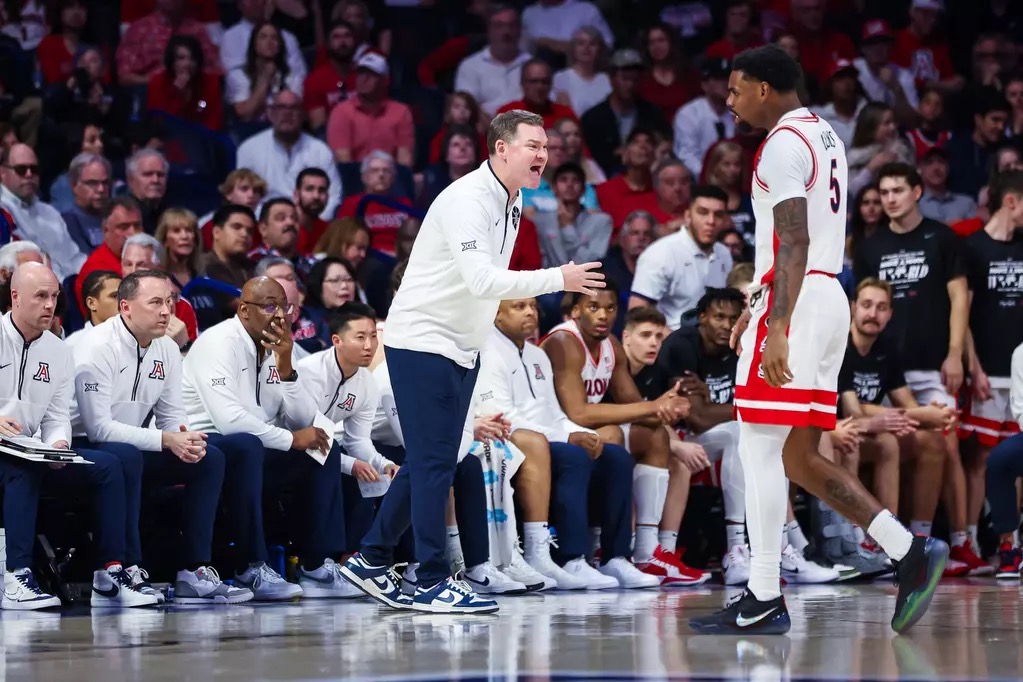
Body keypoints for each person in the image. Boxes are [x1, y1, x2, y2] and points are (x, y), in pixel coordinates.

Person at [689, 45, 947, 636]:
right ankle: (909, 551)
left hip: (799, 302)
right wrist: (759, 305)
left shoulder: (780, 143)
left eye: (735, 90)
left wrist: (775, 326)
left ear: (763, 88)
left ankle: (761, 595)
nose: (727, 103)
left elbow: (794, 239)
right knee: (799, 456)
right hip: (825, 299)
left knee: (756, 446)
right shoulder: (825, 136)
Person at [339, 110, 604, 615]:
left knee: (429, 461)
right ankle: (433, 579)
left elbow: (479, 287)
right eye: (533, 146)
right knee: (439, 461)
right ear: (501, 149)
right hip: (422, 340)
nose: (543, 155)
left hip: (460, 345)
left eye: (546, 146)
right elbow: (484, 281)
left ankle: (371, 559)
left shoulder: (514, 198)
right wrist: (558, 278)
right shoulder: (467, 199)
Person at [71, 270, 253, 605]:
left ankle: (194, 570)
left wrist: (184, 439)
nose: (167, 311)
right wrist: (166, 441)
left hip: (135, 445)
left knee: (209, 457)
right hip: (83, 446)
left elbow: (171, 416)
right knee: (123, 455)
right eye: (155, 302)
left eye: (169, 302)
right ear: (125, 307)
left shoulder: (167, 349)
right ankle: (125, 569)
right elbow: (98, 429)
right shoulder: (95, 347)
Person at [0, 263, 158, 609]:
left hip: (32, 448)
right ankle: (16, 574)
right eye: (40, 296)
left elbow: (58, 417)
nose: (49, 305)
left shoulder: (58, 350)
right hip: (6, 454)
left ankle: (109, 572)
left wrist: (58, 445)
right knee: (20, 469)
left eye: (54, 296)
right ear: (15, 297)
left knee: (110, 464)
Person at [182, 276, 342, 601]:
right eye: (270, 306)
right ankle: (250, 566)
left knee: (324, 445)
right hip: (207, 446)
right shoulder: (218, 343)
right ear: (244, 310)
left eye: (284, 307)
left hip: (257, 447)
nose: (280, 315)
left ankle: (315, 566)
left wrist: (285, 366)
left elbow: (305, 419)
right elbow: (229, 422)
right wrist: (291, 440)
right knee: (247, 445)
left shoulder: (279, 345)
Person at [541, 284, 704, 586]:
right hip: (553, 429)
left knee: (655, 436)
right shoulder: (564, 341)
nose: (603, 315)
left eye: (611, 308)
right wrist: (651, 407)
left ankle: (643, 551)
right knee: (612, 436)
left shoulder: (611, 344)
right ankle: (593, 547)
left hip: (582, 430)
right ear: (575, 311)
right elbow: (578, 414)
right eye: (593, 307)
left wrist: (668, 407)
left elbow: (633, 403)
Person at [832, 278, 953, 577]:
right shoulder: (839, 346)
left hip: (867, 431)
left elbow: (906, 404)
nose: (873, 314)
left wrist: (931, 415)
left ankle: (914, 540)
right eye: (867, 305)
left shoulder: (886, 348)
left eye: (882, 308)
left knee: (932, 441)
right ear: (852, 308)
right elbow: (853, 411)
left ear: (890, 315)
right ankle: (867, 541)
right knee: (880, 439)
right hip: (833, 433)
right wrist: (913, 414)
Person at [295, 301, 399, 598]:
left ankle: (351, 563)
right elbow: (306, 436)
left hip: (326, 451)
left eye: (373, 336)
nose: (369, 345)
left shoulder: (366, 382)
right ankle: (314, 568)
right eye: (360, 337)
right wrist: (350, 464)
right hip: (290, 447)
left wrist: (382, 463)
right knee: (340, 463)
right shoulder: (309, 371)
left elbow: (359, 441)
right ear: (337, 340)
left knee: (374, 475)